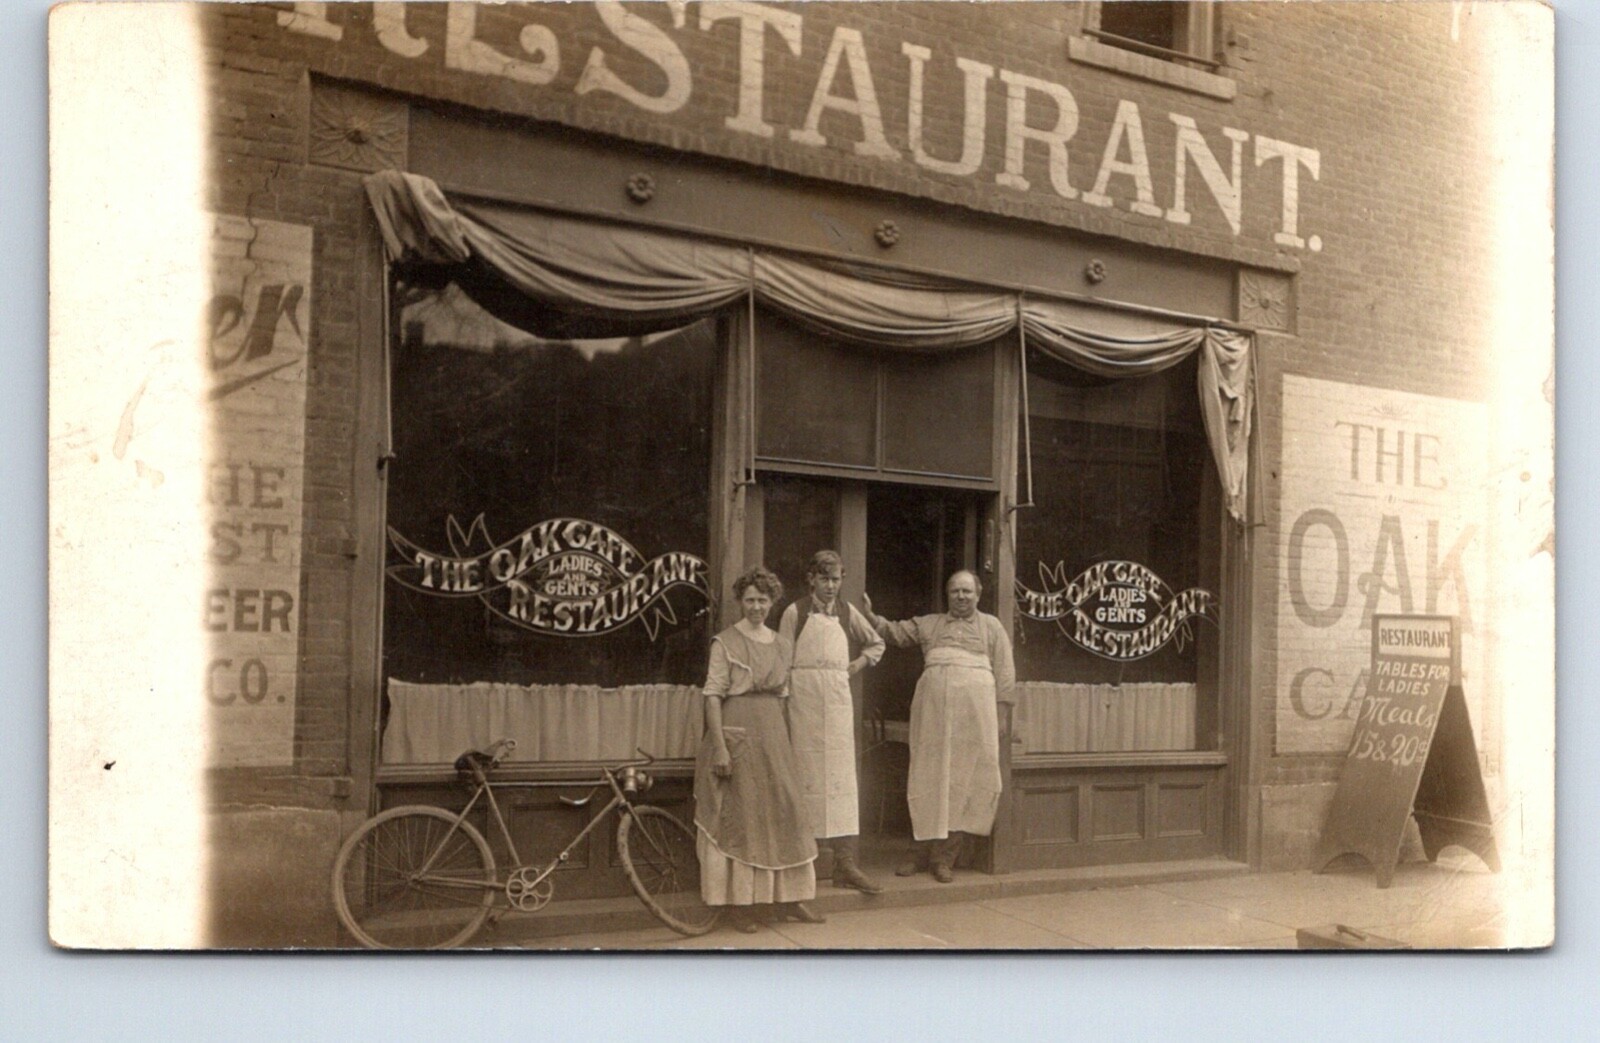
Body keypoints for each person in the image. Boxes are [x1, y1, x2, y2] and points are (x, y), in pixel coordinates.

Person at [693, 566, 825, 932]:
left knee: (786, 812)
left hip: (773, 737)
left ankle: (790, 899)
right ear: (740, 602)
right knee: (742, 818)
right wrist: (720, 747)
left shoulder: (783, 645)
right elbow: (712, 696)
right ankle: (738, 905)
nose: (756, 607)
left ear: (772, 602)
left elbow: (783, 699)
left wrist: (784, 744)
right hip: (736, 735)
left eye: (762, 600)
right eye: (749, 600)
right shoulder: (725, 642)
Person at [862, 570, 1014, 883]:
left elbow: (1006, 672)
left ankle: (945, 858)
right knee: (928, 778)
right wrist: (869, 616)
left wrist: (1000, 715)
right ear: (947, 595)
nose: (961, 597)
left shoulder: (992, 627)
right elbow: (894, 633)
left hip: (974, 720)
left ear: (978, 595)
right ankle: (917, 853)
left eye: (967, 592)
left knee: (963, 781)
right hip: (933, 715)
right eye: (956, 591)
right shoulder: (930, 623)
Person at [777, 550, 886, 895]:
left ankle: (845, 864)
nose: (830, 586)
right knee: (804, 779)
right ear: (811, 579)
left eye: (836, 579)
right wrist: (782, 710)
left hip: (837, 703)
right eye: (823, 579)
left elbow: (877, 642)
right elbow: (781, 662)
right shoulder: (794, 612)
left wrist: (857, 664)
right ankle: (801, 868)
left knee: (842, 781)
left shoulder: (847, 612)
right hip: (803, 702)